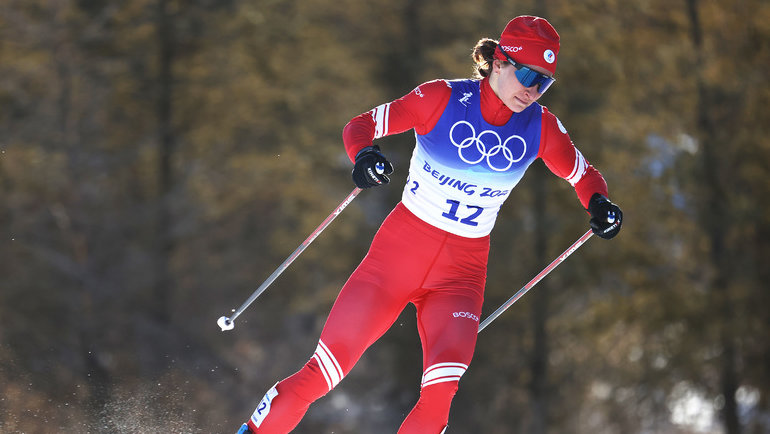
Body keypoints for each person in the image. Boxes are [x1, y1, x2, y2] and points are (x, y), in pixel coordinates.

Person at [237, 15, 622, 434]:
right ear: (499, 62)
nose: (531, 90)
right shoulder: (441, 98)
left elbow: (585, 176)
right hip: (396, 258)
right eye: (527, 74)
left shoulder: (541, 127)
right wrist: (364, 156)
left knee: (439, 396)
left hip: (462, 276)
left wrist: (600, 204)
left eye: (543, 81)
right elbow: (360, 126)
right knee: (324, 372)